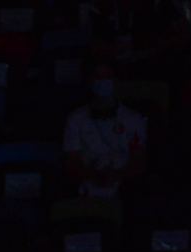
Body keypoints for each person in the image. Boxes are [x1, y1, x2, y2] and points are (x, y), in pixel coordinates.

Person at [63, 63, 149, 200]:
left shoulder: (134, 119)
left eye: (107, 76)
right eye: (98, 77)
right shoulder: (75, 119)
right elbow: (72, 160)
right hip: (86, 186)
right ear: (90, 81)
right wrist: (93, 176)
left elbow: (139, 160)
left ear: (115, 80)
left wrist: (116, 175)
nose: (103, 82)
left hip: (125, 188)